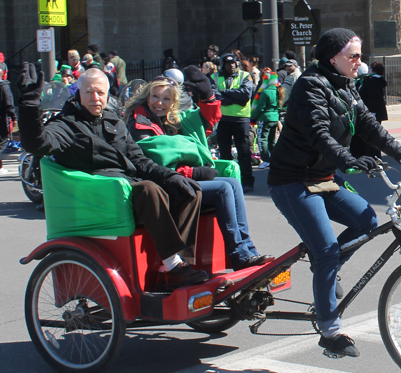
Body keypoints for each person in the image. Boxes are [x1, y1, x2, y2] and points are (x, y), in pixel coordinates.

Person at [267, 28, 401, 358]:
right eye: (354, 56)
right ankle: (330, 331)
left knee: (367, 221)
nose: (360, 61)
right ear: (333, 58)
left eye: (360, 55)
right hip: (293, 180)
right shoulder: (310, 85)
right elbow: (318, 135)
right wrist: (352, 161)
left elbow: (369, 125)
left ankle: (325, 265)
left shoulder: (346, 85)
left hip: (323, 176)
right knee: (326, 249)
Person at [17, 63, 208, 288]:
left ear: (108, 94)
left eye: (100, 92)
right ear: (79, 93)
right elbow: (37, 144)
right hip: (98, 194)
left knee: (188, 190)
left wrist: (171, 176)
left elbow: (140, 161)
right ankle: (173, 265)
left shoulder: (114, 120)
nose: (95, 97)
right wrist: (29, 104)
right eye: (88, 92)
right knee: (148, 188)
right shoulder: (67, 124)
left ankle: (176, 266)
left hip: (126, 187)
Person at [124, 67, 273, 270]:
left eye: (167, 99)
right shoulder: (139, 124)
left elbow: (205, 123)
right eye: (155, 96)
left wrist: (207, 96)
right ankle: (238, 254)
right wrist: (191, 172)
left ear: (173, 103)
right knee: (223, 188)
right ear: (146, 96)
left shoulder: (166, 121)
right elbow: (154, 162)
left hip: (177, 179)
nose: (160, 103)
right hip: (162, 185)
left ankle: (248, 249)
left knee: (232, 184)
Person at [210, 53, 255, 193]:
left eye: (235, 63)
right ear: (223, 64)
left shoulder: (245, 76)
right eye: (229, 64)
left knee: (244, 152)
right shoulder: (215, 76)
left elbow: (246, 95)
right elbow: (213, 95)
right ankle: (227, 180)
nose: (233, 66)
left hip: (241, 119)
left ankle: (247, 181)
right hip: (223, 119)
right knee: (224, 152)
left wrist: (224, 93)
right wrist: (233, 97)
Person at [352, 61, 386, 158]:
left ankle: (373, 155)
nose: (369, 70)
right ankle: (366, 154)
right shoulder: (366, 80)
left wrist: (372, 113)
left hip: (372, 113)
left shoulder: (374, 81)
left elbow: (374, 98)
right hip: (368, 112)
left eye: (371, 68)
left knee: (372, 134)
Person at [250, 71, 283, 169]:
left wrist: (252, 116)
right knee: (272, 140)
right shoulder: (278, 91)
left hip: (264, 118)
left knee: (262, 139)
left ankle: (265, 160)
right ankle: (274, 159)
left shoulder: (265, 92)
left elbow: (260, 107)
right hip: (274, 118)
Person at [0, 67, 16, 174]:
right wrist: (14, 117)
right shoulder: (3, 86)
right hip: (1, 119)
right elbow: (9, 103)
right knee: (2, 141)